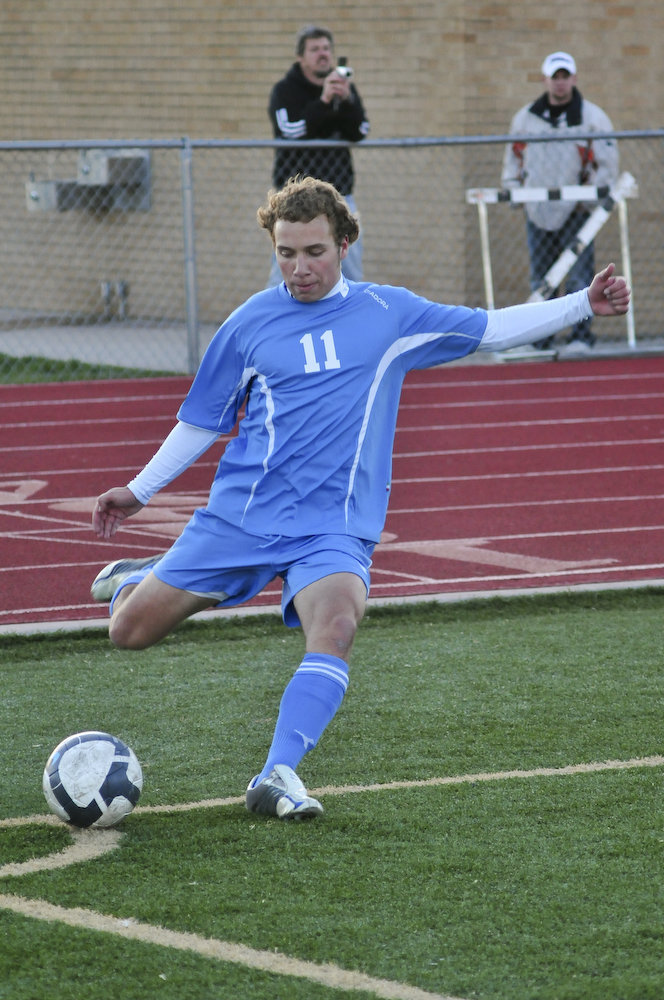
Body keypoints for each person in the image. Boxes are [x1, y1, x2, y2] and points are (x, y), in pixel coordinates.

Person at [90, 176, 630, 821]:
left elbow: (491, 330)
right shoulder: (248, 324)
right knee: (129, 633)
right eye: (286, 253)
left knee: (338, 624)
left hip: (333, 527)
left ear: (345, 244)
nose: (299, 268)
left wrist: (582, 305)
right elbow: (204, 419)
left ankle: (277, 774)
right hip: (241, 519)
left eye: (313, 251)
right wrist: (140, 491)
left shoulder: (388, 314)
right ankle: (135, 584)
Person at [501, 51, 619, 353]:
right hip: (538, 209)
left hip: (578, 211)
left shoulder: (593, 118)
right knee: (541, 277)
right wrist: (514, 191)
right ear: (546, 80)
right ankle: (541, 339)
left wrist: (591, 199)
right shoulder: (526, 118)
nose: (560, 82)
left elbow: (606, 164)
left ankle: (580, 338)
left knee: (580, 276)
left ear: (574, 79)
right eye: (555, 76)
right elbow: (513, 157)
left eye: (565, 76)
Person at [266, 23, 369, 286]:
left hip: (339, 195)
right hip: (295, 198)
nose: (323, 54)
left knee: (350, 267)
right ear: (301, 57)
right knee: (288, 272)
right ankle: (282, 326)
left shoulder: (343, 87)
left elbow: (360, 130)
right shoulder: (285, 90)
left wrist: (347, 102)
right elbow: (288, 130)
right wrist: (323, 102)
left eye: (326, 48)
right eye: (314, 49)